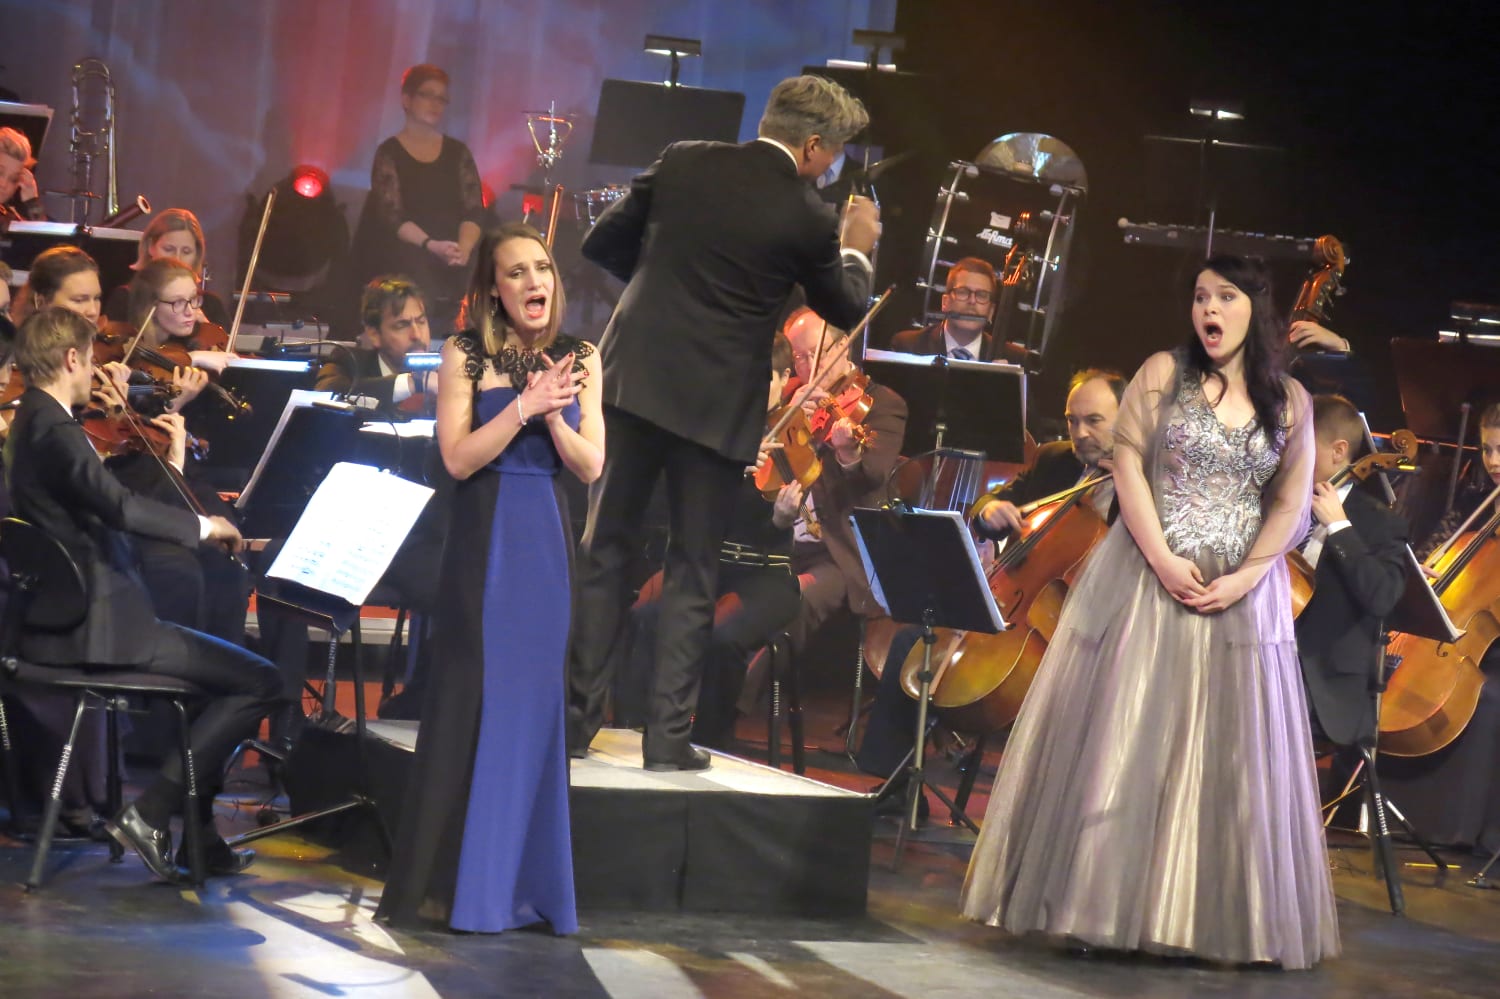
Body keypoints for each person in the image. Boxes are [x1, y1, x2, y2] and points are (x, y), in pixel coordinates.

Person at [960, 255, 1338, 969]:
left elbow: (1292, 502)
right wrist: (1162, 557)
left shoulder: (1289, 399)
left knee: (1229, 752)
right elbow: (1128, 465)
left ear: (1255, 308)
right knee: (1128, 736)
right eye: (1200, 297)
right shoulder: (1164, 373)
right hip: (1149, 574)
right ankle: (1097, 906)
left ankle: (1216, 921)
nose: (1209, 309)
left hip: (1243, 591)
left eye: (1225, 296)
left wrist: (1248, 577)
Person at [568, 73, 880, 771]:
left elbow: (601, 244)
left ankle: (571, 722)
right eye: (833, 153)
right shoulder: (807, 214)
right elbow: (843, 302)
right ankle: (666, 741)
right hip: (713, 407)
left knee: (605, 548)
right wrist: (857, 244)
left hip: (635, 378)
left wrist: (667, 285)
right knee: (692, 564)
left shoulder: (683, 159)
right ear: (812, 146)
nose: (832, 166)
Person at [376, 222, 602, 934]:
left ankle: (527, 888)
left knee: (535, 710)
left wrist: (554, 417)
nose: (534, 281)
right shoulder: (464, 353)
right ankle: (458, 890)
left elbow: (591, 465)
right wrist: (524, 409)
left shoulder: (582, 356)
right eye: (515, 272)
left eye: (542, 268)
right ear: (493, 290)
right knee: (472, 705)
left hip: (546, 547)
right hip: (485, 540)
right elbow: (457, 457)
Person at [5, 306, 281, 883]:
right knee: (261, 681)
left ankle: (199, 843)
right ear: (72, 358)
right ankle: (151, 812)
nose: (97, 374)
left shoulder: (33, 418)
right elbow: (120, 508)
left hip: (71, 622)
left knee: (216, 688)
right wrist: (205, 526)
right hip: (101, 630)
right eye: (91, 361)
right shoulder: (54, 429)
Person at [854, 369, 1124, 791]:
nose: (1080, 433)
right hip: (1020, 609)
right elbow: (994, 500)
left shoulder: (1144, 485)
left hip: (1088, 628)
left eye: (1094, 421)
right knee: (915, 643)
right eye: (1072, 420)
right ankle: (891, 785)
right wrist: (988, 510)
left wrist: (1129, 480)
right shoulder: (1056, 459)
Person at [615, 333, 804, 749]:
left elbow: (782, 524)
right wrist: (724, 471)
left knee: (720, 636)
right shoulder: (716, 432)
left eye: (764, 378)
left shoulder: (793, 438)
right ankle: (632, 731)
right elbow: (676, 501)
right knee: (644, 616)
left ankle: (708, 742)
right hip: (708, 566)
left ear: (785, 378)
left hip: (765, 576)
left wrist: (780, 518)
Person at [1381, 400, 1500, 855]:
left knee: (1487, 700)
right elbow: (1431, 550)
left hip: (1488, 647)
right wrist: (1425, 565)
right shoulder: (1474, 504)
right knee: (1381, 674)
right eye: (1487, 449)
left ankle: (1454, 827)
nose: (1493, 461)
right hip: (1448, 630)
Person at [1296, 393, 1410, 750]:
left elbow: (1382, 597)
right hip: (1271, 661)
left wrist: (1339, 528)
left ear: (1338, 450)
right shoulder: (1285, 507)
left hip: (1323, 683)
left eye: (1301, 445)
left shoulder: (1379, 521)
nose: (1290, 456)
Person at [351, 64, 486, 336]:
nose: (435, 104)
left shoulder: (458, 152)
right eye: (427, 95)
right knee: (415, 271)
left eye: (441, 98)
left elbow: (473, 209)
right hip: (410, 247)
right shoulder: (389, 152)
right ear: (407, 99)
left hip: (454, 248)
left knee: (482, 268)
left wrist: (463, 249)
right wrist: (431, 245)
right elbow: (392, 217)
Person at [315, 275, 434, 408]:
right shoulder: (348, 361)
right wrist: (412, 383)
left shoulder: (446, 372)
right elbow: (325, 393)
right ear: (374, 334)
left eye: (421, 322)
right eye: (402, 325)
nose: (417, 335)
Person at [104, 208, 230, 327]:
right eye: (169, 249)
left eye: (186, 252)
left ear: (197, 255)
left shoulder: (211, 304)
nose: (177, 258)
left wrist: (206, 329)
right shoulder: (126, 299)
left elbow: (226, 343)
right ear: (150, 247)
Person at [889, 257, 997, 360]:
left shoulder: (1005, 356)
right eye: (962, 292)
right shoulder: (907, 346)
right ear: (945, 302)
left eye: (982, 295)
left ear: (991, 311)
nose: (972, 301)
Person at [0, 127, 46, 221]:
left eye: (13, 179)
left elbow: (42, 230)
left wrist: (32, 201)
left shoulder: (9, 216)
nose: (3, 184)